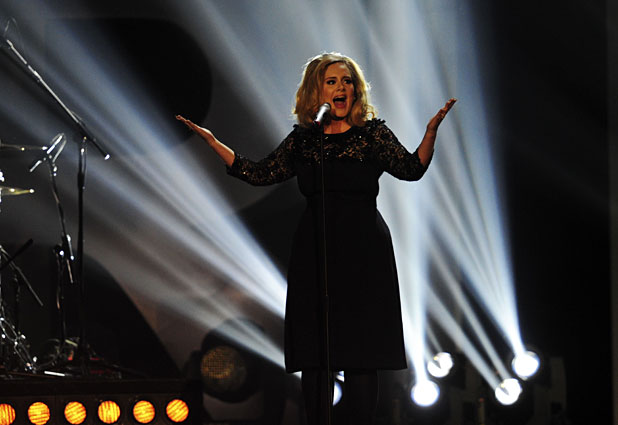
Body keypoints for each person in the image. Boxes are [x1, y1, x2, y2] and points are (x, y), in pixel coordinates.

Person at [177, 52, 456, 425]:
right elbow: (260, 173)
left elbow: (411, 168)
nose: (342, 87)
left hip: (364, 252)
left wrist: (430, 133)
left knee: (361, 354)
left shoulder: (372, 134)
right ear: (317, 91)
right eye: (332, 81)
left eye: (347, 81)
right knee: (316, 354)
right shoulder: (304, 140)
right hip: (315, 250)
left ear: (355, 90)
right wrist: (214, 143)